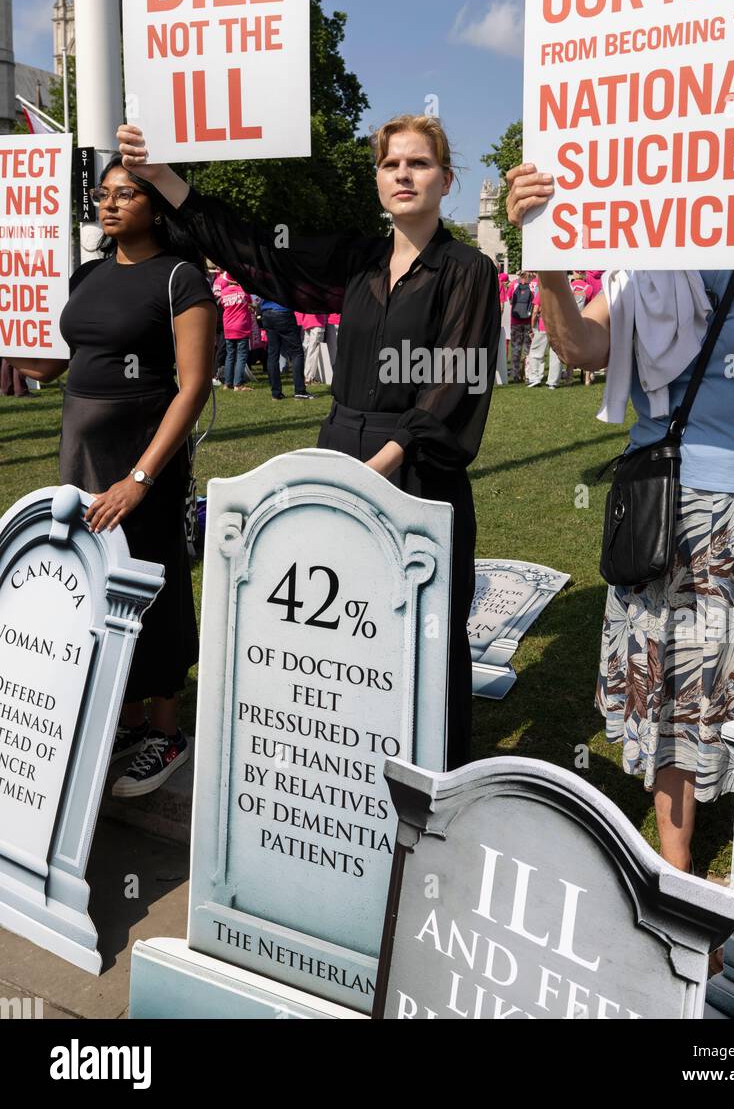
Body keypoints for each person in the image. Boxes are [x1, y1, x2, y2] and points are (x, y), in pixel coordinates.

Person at [507, 162, 734, 871]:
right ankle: (676, 865)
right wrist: (545, 268)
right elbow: (582, 348)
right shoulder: (642, 248)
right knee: (679, 687)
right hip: (675, 508)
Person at [116, 114, 501, 767]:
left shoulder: (467, 269)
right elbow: (256, 253)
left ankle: (431, 790)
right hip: (341, 455)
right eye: (390, 164)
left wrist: (386, 459)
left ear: (446, 179)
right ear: (377, 179)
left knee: (425, 642)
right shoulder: (356, 259)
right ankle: (349, 771)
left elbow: (453, 379)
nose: (402, 174)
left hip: (414, 473)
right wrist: (164, 181)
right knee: (346, 632)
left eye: (418, 163)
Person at [9, 155, 216, 796]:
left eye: (127, 193)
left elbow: (194, 385)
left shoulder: (181, 277)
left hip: (142, 460)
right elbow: (60, 366)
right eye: (104, 193)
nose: (111, 202)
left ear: (157, 205)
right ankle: (125, 719)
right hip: (81, 456)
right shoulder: (88, 275)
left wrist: (141, 479)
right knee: (95, 584)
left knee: (150, 582)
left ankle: (166, 729)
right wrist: (13, 347)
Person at [260, 299, 310, 401]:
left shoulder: (266, 282)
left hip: (266, 313)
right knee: (297, 352)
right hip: (282, 312)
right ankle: (300, 391)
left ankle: (276, 393)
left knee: (273, 354)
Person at [213, 270, 254, 390]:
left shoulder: (224, 292)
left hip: (228, 327)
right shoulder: (244, 291)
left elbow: (223, 306)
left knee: (230, 355)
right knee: (241, 355)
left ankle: (227, 383)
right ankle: (238, 384)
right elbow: (251, 304)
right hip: (241, 326)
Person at [507, 271, 534, 382]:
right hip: (528, 322)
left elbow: (510, 300)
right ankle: (528, 375)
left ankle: (516, 375)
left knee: (516, 349)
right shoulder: (532, 287)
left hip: (515, 322)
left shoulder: (513, 285)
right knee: (528, 350)